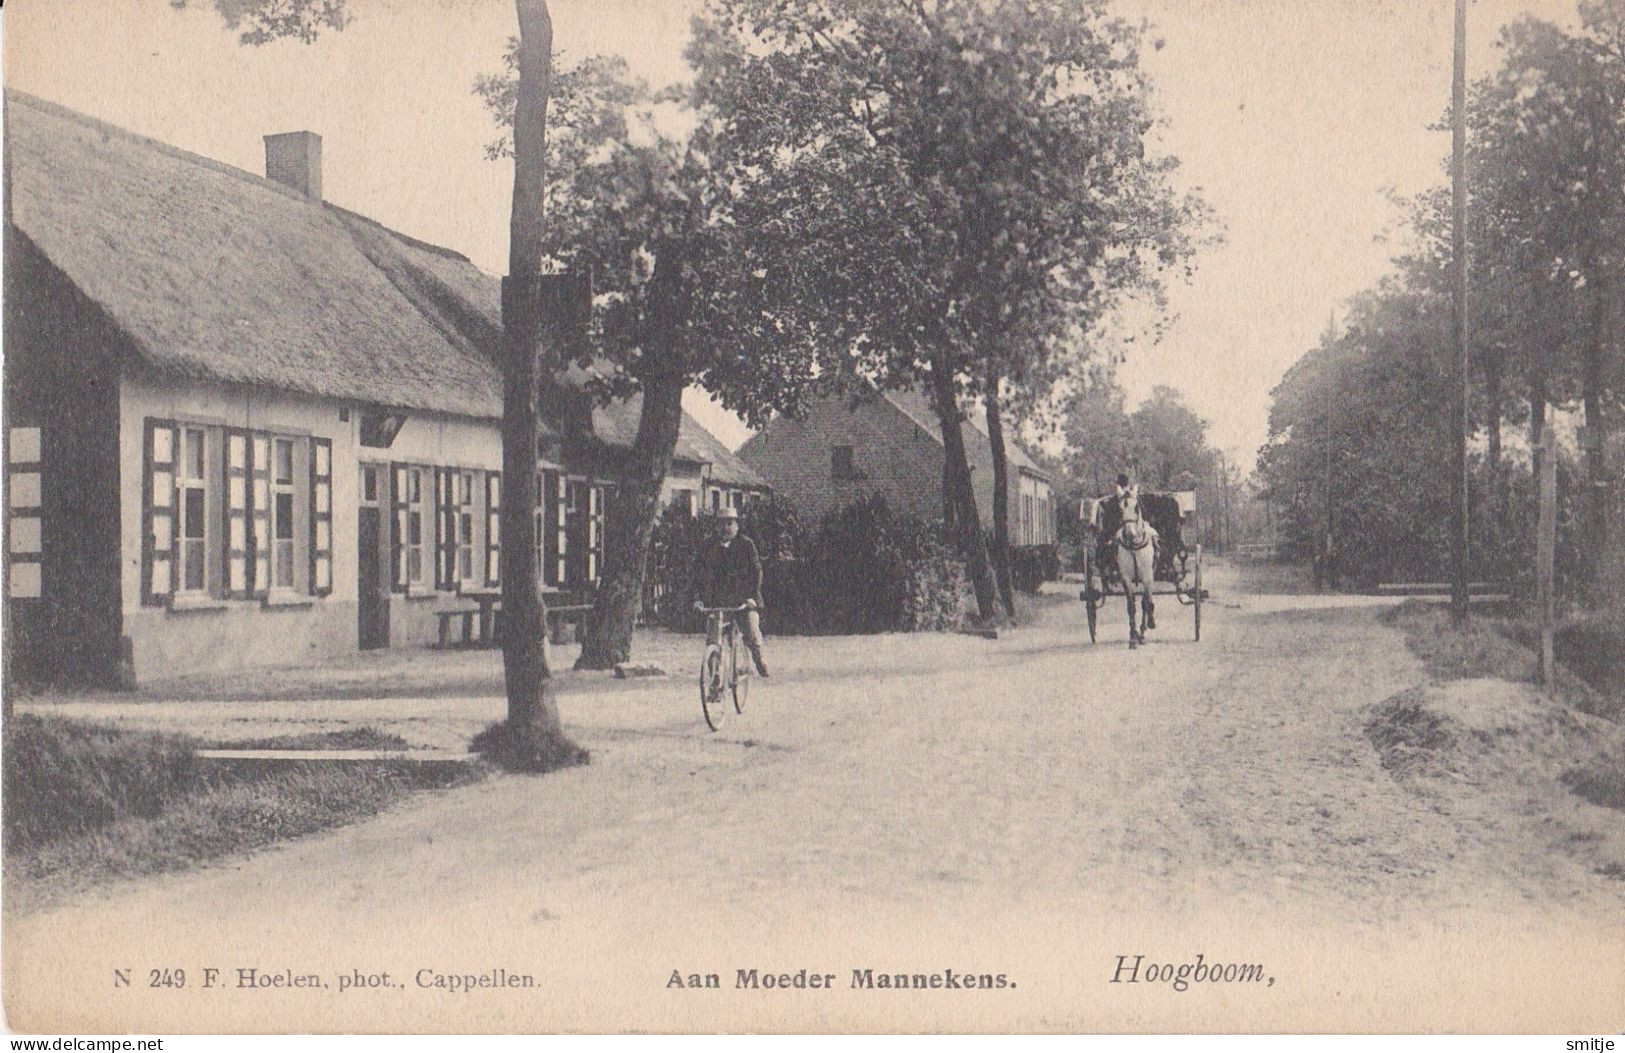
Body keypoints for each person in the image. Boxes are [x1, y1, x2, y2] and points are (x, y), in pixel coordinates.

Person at [693, 507, 769, 677]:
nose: (725, 528)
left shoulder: (746, 545)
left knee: (751, 631)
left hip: (744, 601)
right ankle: (715, 680)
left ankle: (759, 660)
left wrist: (751, 596)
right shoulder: (708, 546)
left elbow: (756, 573)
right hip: (718, 603)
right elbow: (698, 574)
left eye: (729, 523)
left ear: (737, 526)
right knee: (713, 639)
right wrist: (698, 599)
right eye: (721, 524)